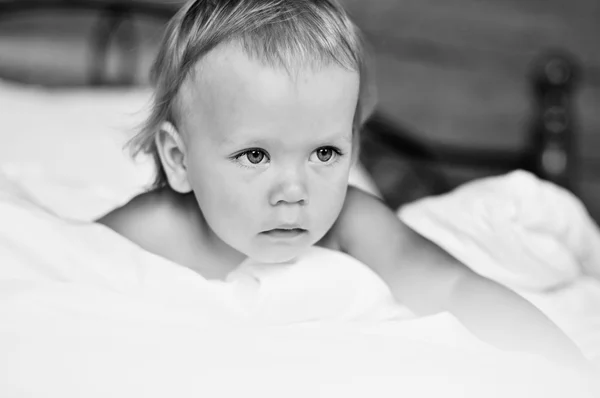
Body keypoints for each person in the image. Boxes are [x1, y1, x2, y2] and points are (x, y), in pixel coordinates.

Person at [97, 0, 587, 370]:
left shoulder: (352, 222)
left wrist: (570, 371)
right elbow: (46, 276)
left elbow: (456, 288)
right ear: (179, 160)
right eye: (254, 155)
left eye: (325, 153)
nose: (293, 190)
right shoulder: (140, 235)